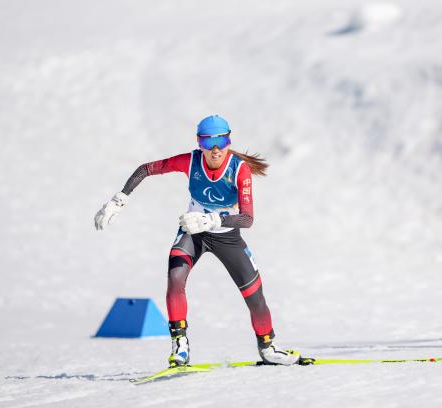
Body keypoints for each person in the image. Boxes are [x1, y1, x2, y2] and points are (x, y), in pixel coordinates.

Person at [94, 115, 300, 366]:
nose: (215, 149)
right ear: (199, 143)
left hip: (227, 238)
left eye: (221, 141)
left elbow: (247, 219)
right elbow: (145, 169)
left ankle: (268, 347)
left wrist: (212, 221)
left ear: (228, 141)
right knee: (175, 278)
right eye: (208, 141)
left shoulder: (239, 170)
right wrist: (119, 200)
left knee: (255, 297)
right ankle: (179, 345)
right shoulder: (190, 161)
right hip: (193, 233)